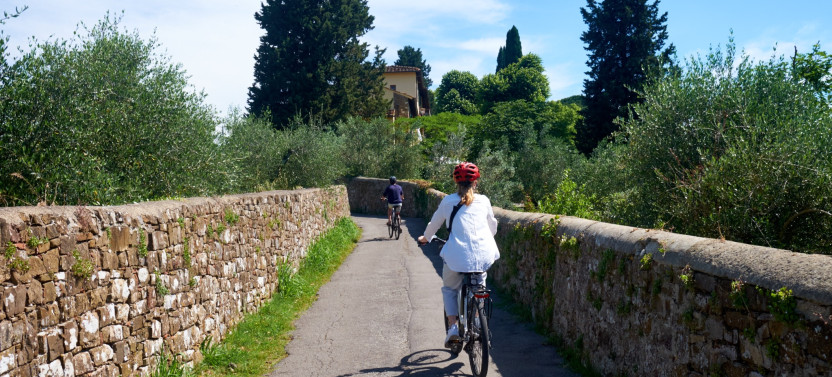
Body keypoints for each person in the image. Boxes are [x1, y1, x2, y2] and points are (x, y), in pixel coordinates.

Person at [417, 162, 499, 348]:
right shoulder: (484, 201)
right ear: (475, 182)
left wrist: (425, 238)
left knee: (450, 289)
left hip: (457, 256)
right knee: (479, 289)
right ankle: (478, 321)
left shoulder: (448, 201)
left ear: (456, 182)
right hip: (483, 254)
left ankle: (453, 328)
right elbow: (492, 226)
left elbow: (434, 224)